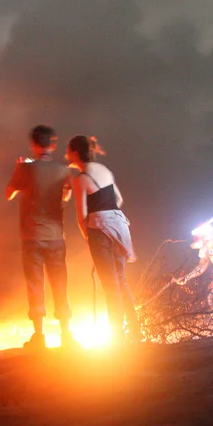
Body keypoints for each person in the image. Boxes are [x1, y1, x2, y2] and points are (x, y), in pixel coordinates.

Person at [66, 134, 142, 342]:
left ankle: (117, 334)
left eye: (68, 150)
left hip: (99, 230)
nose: (66, 154)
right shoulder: (104, 171)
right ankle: (135, 329)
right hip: (120, 225)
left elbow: (81, 216)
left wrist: (88, 238)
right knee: (121, 279)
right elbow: (118, 198)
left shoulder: (81, 179)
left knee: (110, 283)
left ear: (75, 152)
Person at [5, 124, 74, 349]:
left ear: (33, 145)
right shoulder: (64, 168)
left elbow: (9, 193)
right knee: (60, 283)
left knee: (35, 284)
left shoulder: (25, 169)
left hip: (31, 236)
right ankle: (66, 334)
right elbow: (66, 196)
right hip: (55, 235)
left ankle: (39, 336)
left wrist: (19, 167)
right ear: (53, 144)